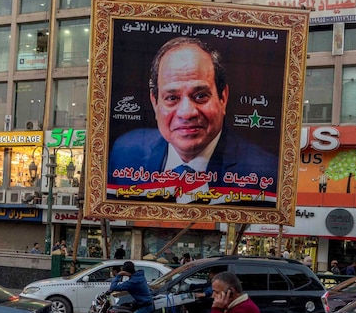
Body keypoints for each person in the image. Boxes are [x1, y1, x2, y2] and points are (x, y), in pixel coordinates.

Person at [107, 37, 279, 206]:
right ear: (155, 102)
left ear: (223, 98)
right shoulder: (125, 152)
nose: (187, 113)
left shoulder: (265, 173)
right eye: (172, 97)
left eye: (200, 96)